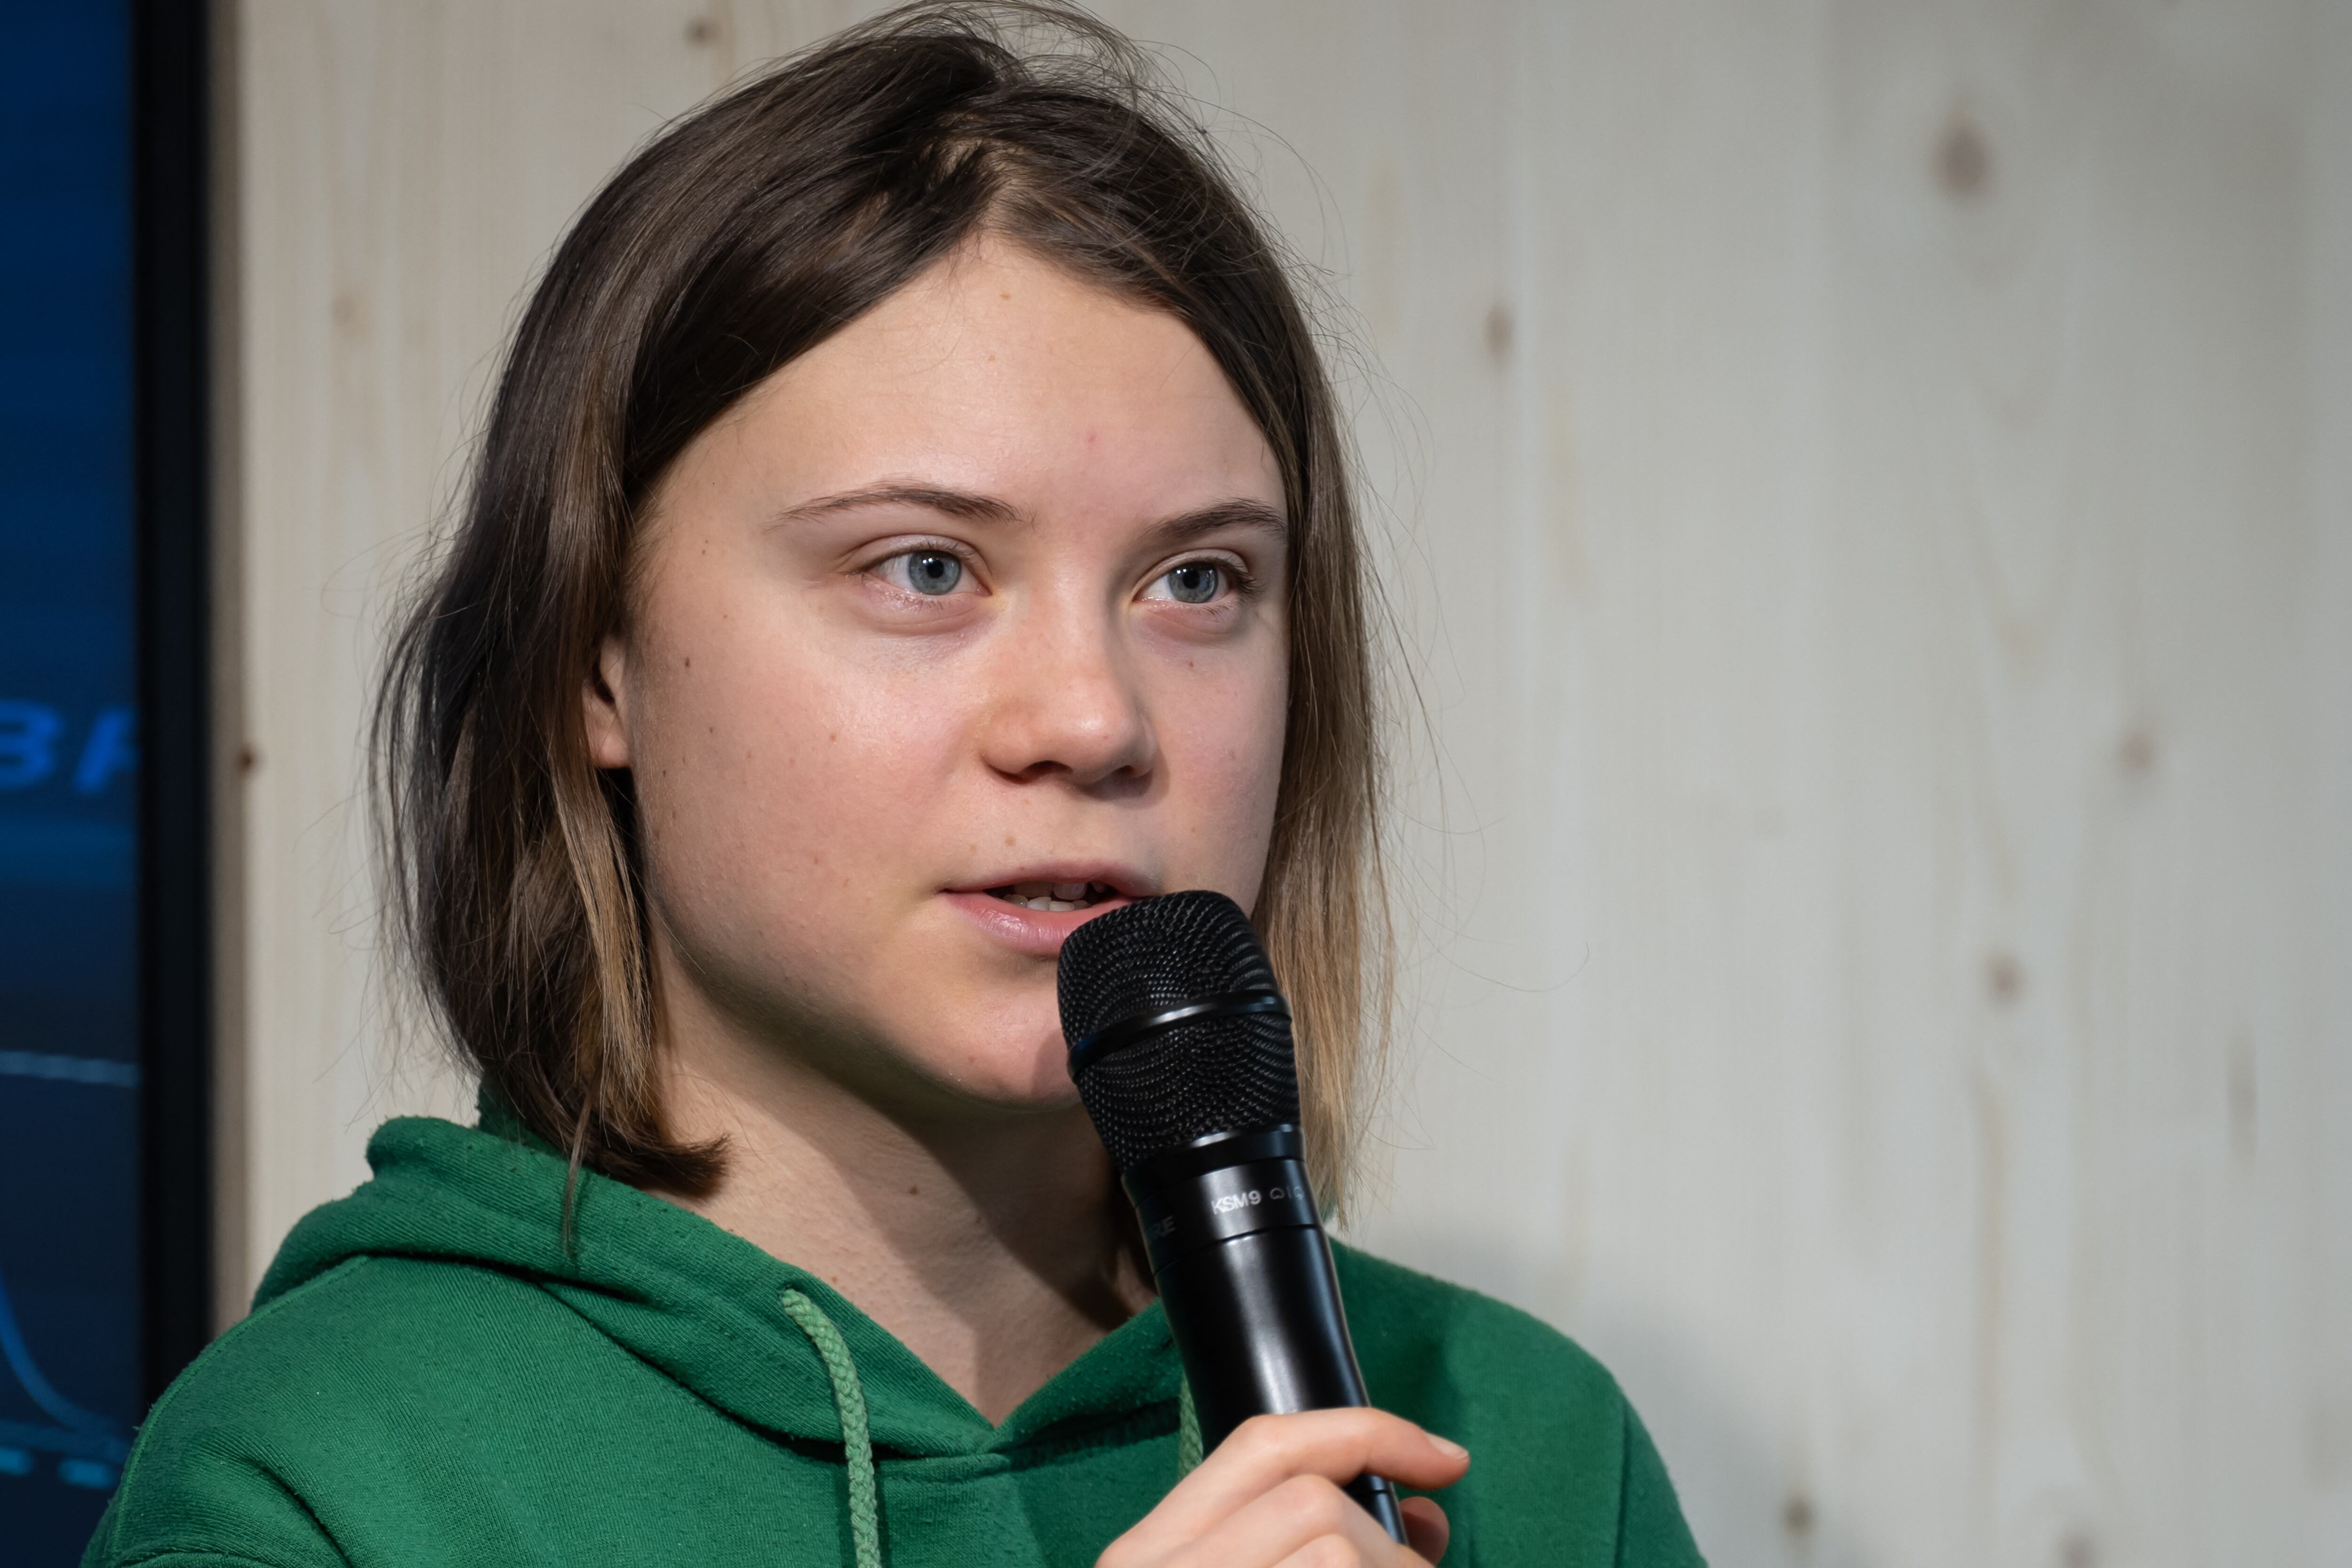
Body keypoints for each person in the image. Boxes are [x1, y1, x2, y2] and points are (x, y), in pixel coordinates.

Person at [86, 6, 1704, 1564]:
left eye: (1198, 583)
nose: (1090, 718)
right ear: (599, 662)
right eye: (925, 567)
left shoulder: (1527, 1448)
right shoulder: (320, 1490)